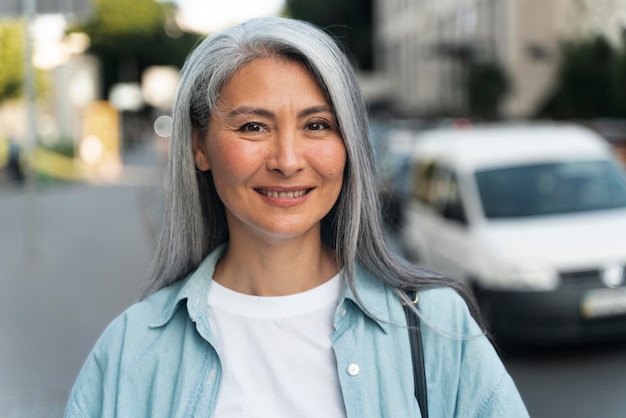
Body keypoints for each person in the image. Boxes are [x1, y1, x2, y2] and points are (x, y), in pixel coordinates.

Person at [65, 16, 529, 418]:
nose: (288, 160)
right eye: (253, 127)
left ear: (348, 143)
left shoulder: (433, 326)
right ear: (198, 146)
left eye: (317, 125)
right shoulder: (131, 350)